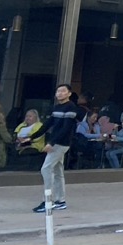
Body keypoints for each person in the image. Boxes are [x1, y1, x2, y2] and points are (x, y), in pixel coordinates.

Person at [34, 83, 79, 212]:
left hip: (61, 144)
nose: (60, 93)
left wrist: (52, 143)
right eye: (58, 91)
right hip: (57, 143)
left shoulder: (71, 107)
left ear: (69, 93)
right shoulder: (56, 107)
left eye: (63, 91)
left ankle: (48, 200)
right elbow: (47, 125)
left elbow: (66, 129)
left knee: (46, 169)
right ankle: (61, 200)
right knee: (58, 172)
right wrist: (31, 137)